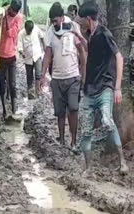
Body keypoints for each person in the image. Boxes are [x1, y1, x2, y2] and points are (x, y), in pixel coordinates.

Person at [77, 1, 128, 174]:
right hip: (89, 90)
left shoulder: (104, 33)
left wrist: (118, 87)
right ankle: (88, 167)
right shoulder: (90, 34)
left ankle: (122, 162)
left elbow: (119, 57)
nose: (79, 21)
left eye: (80, 19)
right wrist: (80, 41)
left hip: (105, 87)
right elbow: (93, 56)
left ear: (88, 19)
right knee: (85, 130)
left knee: (107, 120)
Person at [40, 3, 86, 149]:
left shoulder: (72, 27)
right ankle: (61, 139)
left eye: (56, 20)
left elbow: (81, 50)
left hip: (73, 76)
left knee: (73, 108)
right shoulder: (50, 33)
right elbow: (48, 55)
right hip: (57, 78)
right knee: (60, 112)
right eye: (52, 21)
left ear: (62, 17)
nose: (54, 24)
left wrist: (83, 70)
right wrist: (43, 75)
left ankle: (73, 141)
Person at [0, 0, 24, 118]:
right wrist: (3, 14)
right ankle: (4, 109)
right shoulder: (3, 14)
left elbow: (10, 33)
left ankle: (14, 110)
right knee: (2, 84)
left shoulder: (18, 18)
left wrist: (6, 18)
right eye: (10, 10)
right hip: (0, 55)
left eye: (13, 12)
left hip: (11, 56)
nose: (11, 13)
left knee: (12, 84)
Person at [18, 20, 45, 99]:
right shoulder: (21, 34)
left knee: (38, 74)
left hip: (37, 55)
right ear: (25, 28)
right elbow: (19, 46)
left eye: (30, 30)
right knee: (29, 76)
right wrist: (21, 52)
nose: (29, 32)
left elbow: (42, 37)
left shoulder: (36, 29)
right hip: (28, 58)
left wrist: (44, 47)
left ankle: (38, 91)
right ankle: (30, 92)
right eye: (28, 30)